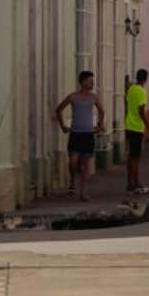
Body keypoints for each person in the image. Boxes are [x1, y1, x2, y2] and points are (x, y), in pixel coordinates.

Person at [54, 70, 103, 202]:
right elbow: (59, 109)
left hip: (88, 134)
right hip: (75, 133)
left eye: (93, 81)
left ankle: (83, 192)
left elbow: (101, 111)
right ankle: (72, 180)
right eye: (90, 81)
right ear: (82, 82)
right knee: (73, 161)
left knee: (85, 165)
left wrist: (99, 125)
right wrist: (63, 126)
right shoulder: (73, 97)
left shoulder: (94, 97)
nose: (92, 83)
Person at [125, 68, 149, 194]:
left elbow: (127, 104)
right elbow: (141, 111)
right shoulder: (142, 91)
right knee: (135, 157)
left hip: (129, 125)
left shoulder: (131, 89)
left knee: (131, 156)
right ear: (146, 79)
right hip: (137, 127)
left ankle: (130, 183)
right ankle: (135, 183)